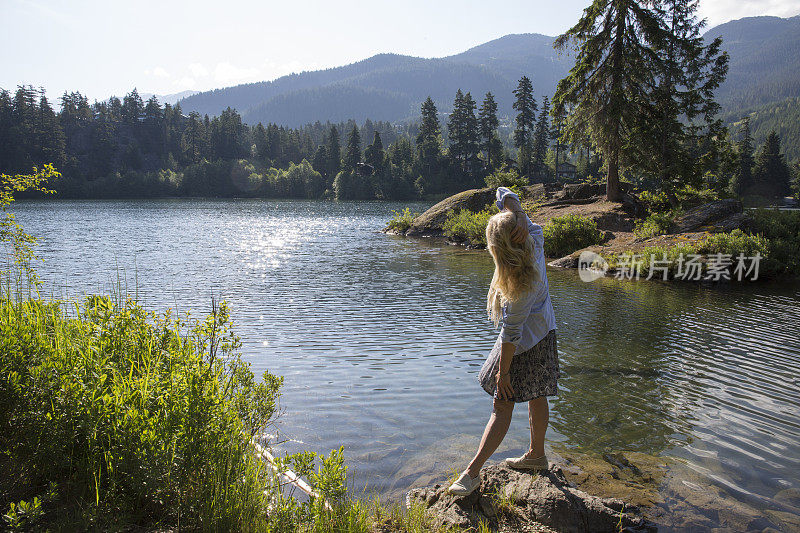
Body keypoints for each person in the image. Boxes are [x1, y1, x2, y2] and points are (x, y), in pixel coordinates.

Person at [448, 187, 559, 496]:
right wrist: (519, 214)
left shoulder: (519, 289)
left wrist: (504, 373)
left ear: (499, 249)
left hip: (524, 341)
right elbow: (503, 192)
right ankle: (536, 456)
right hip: (544, 330)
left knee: (502, 403)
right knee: (537, 394)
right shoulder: (533, 239)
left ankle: (472, 474)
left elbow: (511, 334)